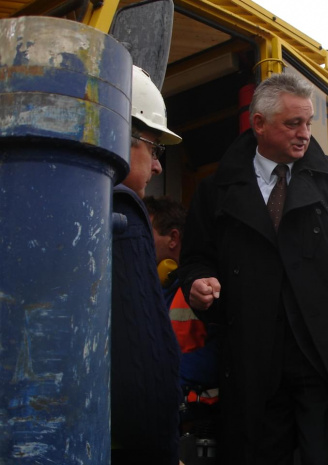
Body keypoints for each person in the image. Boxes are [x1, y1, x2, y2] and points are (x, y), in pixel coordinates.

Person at [178, 72, 328, 465]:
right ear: (259, 123)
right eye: (293, 123)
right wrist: (197, 281)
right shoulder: (216, 190)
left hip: (325, 357)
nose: (305, 133)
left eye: (308, 122)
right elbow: (196, 258)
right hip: (252, 360)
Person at [111, 65, 183, 465]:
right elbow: (145, 360)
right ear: (122, 132)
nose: (157, 166)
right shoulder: (124, 212)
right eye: (154, 149)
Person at [144, 195, 221, 463]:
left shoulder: (205, 286)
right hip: (174, 415)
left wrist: (164, 374)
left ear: (173, 238)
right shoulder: (166, 288)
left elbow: (221, 353)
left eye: (147, 232)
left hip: (203, 421)